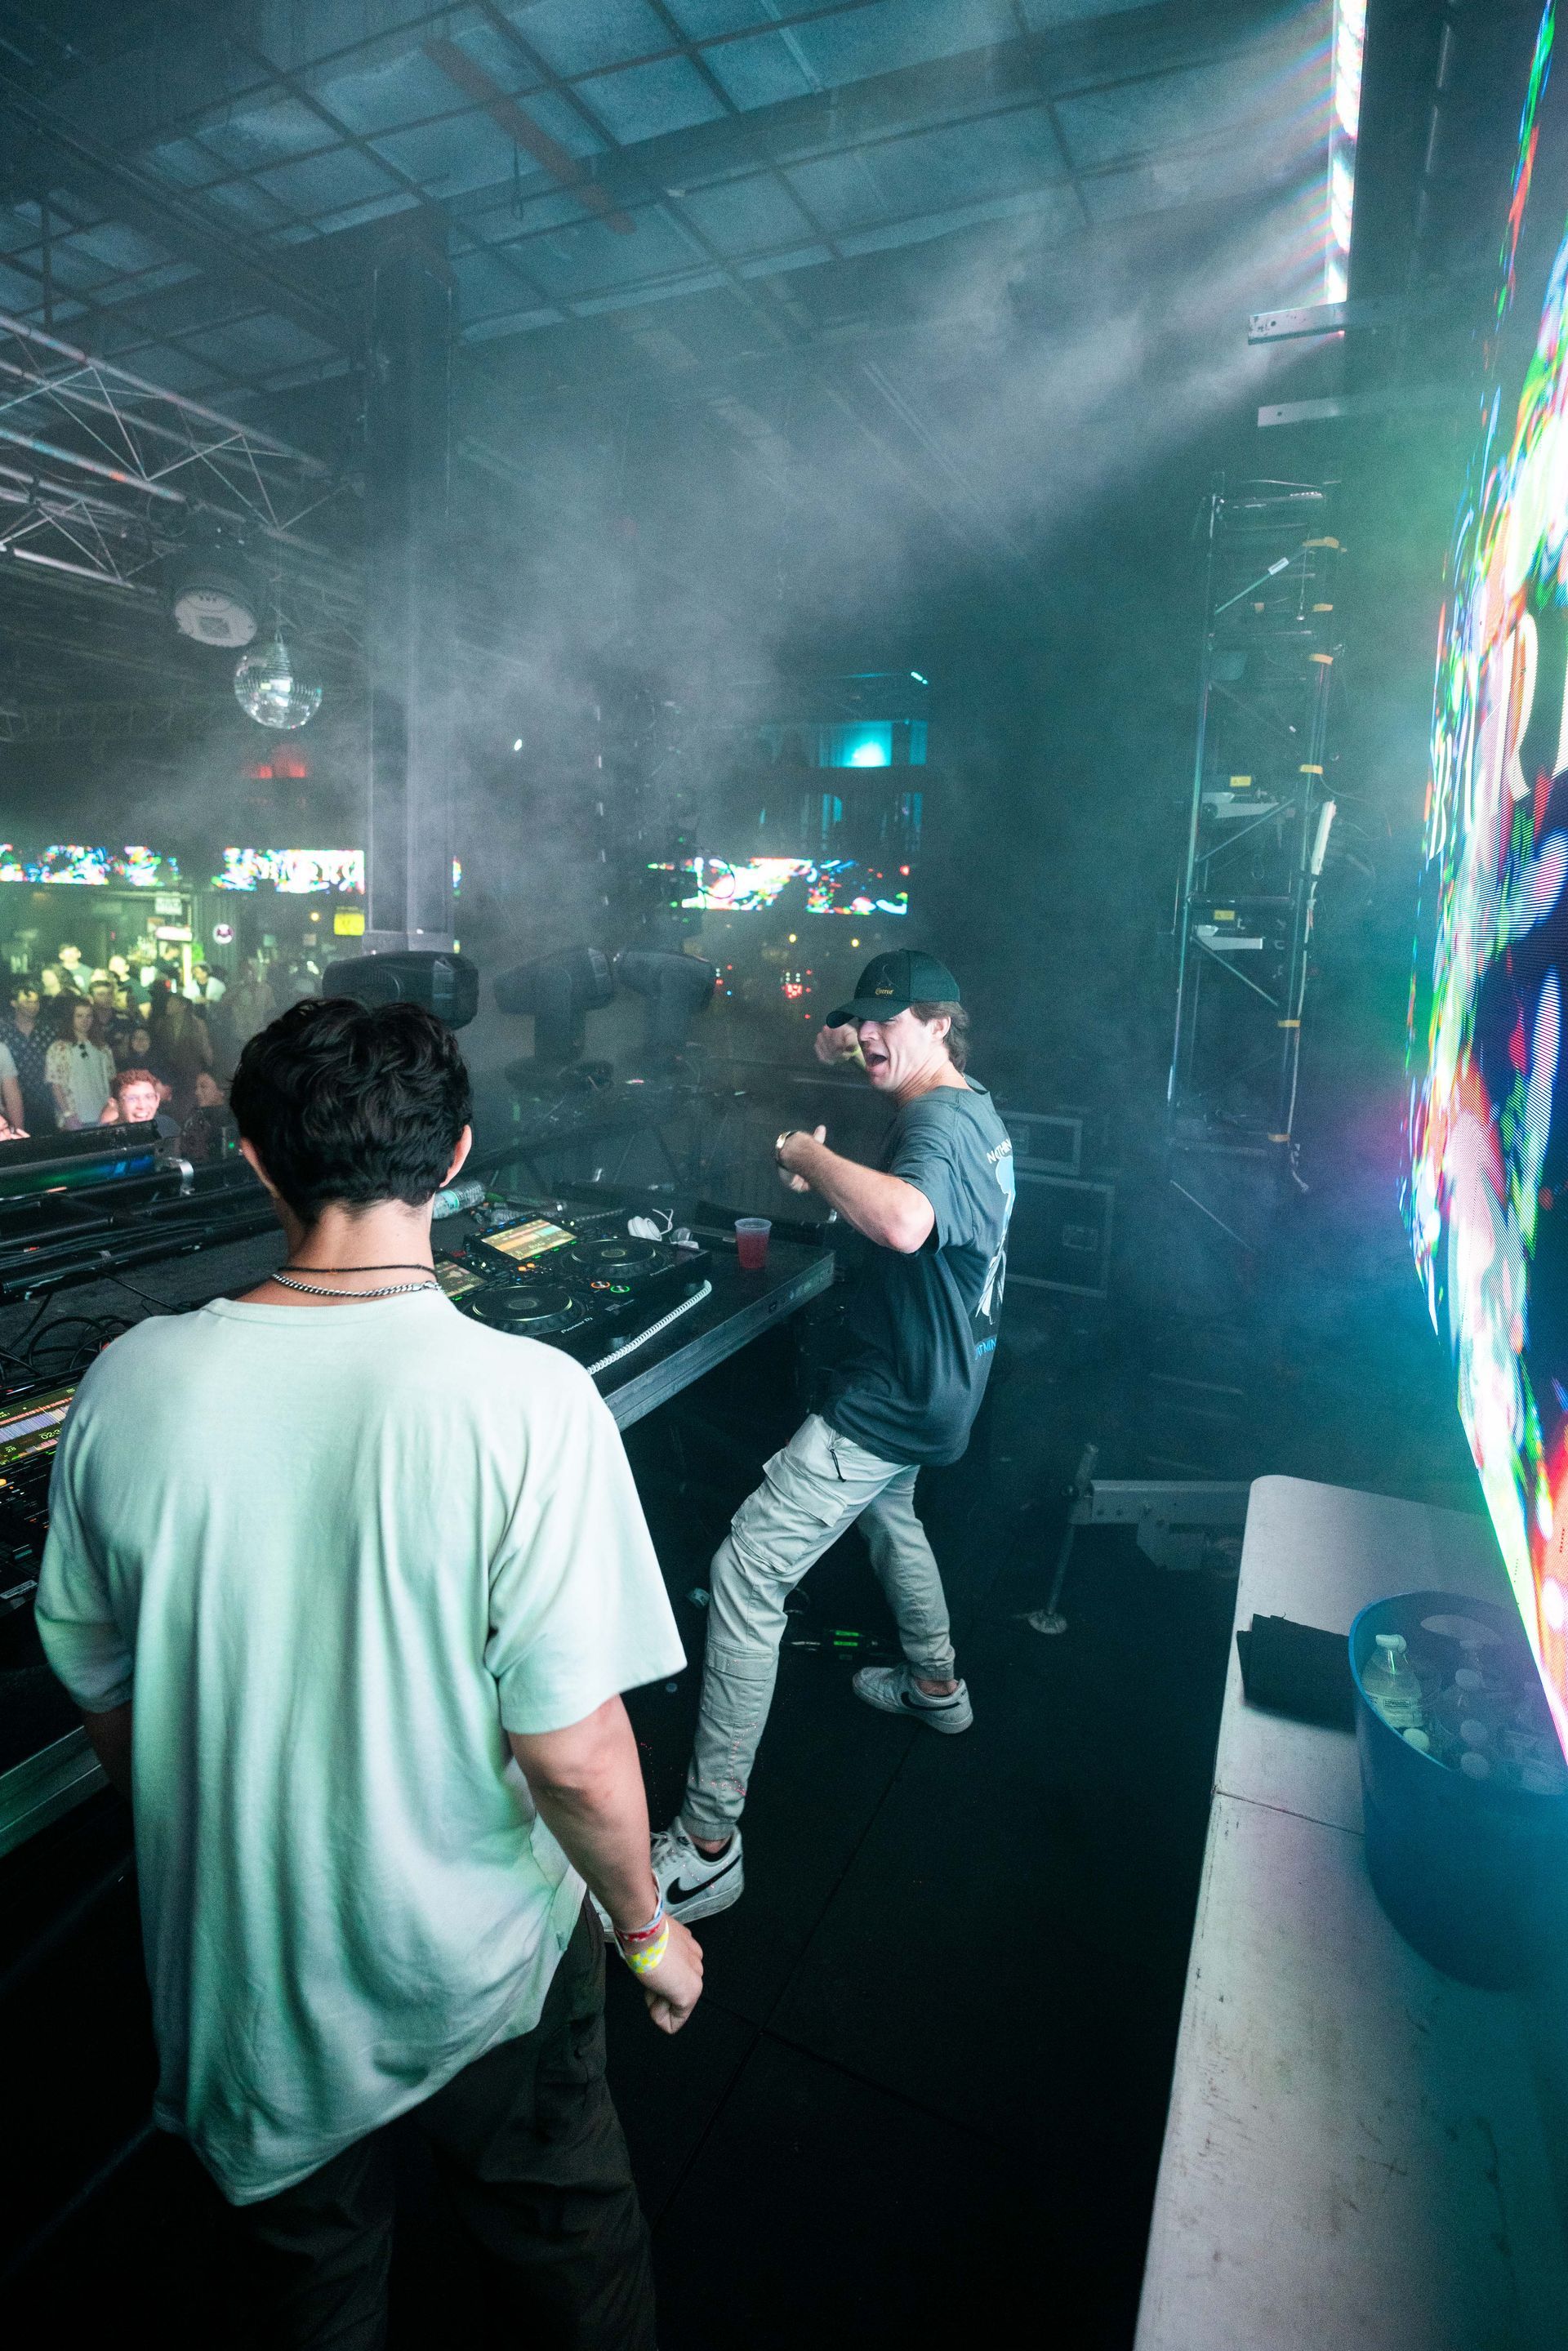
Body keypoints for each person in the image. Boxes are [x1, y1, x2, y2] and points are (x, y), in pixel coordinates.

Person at [34, 997, 701, 2348]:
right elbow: (571, 1747)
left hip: (251, 1977)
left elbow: (106, 1691)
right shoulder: (527, 1398)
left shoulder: (125, 1382)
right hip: (488, 1965)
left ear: (261, 1160)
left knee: (307, 2294)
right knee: (566, 2248)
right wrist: (646, 1927)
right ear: (455, 1155)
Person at [650, 949, 1015, 1924]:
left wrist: (808, 1158)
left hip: (888, 1400)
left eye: (891, 1020)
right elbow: (921, 1229)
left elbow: (903, 1221)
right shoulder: (973, 1107)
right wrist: (844, 1044)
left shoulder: (934, 1121)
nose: (868, 1036)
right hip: (945, 1383)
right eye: (862, 1020)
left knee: (745, 1574)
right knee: (891, 1515)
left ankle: (706, 1843)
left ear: (943, 1020)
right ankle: (938, 1682)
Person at [44, 994, 116, 1129]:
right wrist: (67, 1114)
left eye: (89, 1016)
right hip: (75, 1118)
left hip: (103, 1116)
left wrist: (111, 1110)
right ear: (71, 1018)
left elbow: (110, 1081)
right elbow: (56, 1085)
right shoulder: (58, 1048)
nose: (85, 1020)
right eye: (79, 1016)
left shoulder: (103, 1048)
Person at [145, 986, 212, 1120]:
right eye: (168, 1002)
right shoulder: (162, 1023)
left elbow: (205, 1046)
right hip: (171, 1073)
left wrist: (209, 1063)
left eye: (172, 1002)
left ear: (183, 1005)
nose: (168, 1005)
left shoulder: (197, 1023)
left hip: (190, 1072)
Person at [0, 975, 49, 1133]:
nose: (33, 1006)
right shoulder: (3, 1029)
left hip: (46, 1100)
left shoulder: (48, 1029)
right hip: (13, 1100)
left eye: (36, 1002)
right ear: (14, 1003)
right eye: (28, 1001)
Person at [101, 1066, 179, 1138]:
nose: (142, 1106)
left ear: (157, 1100)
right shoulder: (101, 1137)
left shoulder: (167, 1126)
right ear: (115, 1104)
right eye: (132, 1099)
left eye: (149, 1097)